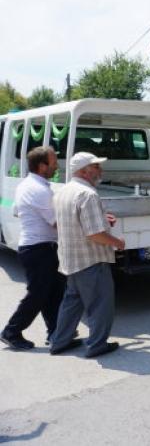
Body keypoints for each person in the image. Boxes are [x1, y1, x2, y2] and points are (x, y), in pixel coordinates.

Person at [49, 152, 125, 358]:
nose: (100, 170)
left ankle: (59, 341)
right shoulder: (88, 194)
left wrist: (102, 219)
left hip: (71, 259)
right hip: (91, 260)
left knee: (72, 302)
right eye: (96, 166)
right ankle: (97, 345)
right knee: (100, 305)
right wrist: (117, 243)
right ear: (83, 171)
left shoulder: (62, 192)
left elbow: (67, 223)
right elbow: (94, 234)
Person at [0, 147, 64, 350]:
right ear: (42, 166)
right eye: (54, 163)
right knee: (38, 294)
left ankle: (57, 333)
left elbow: (17, 211)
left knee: (54, 291)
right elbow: (57, 223)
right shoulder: (39, 190)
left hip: (38, 247)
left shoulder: (26, 184)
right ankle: (11, 331)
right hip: (39, 249)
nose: (57, 166)